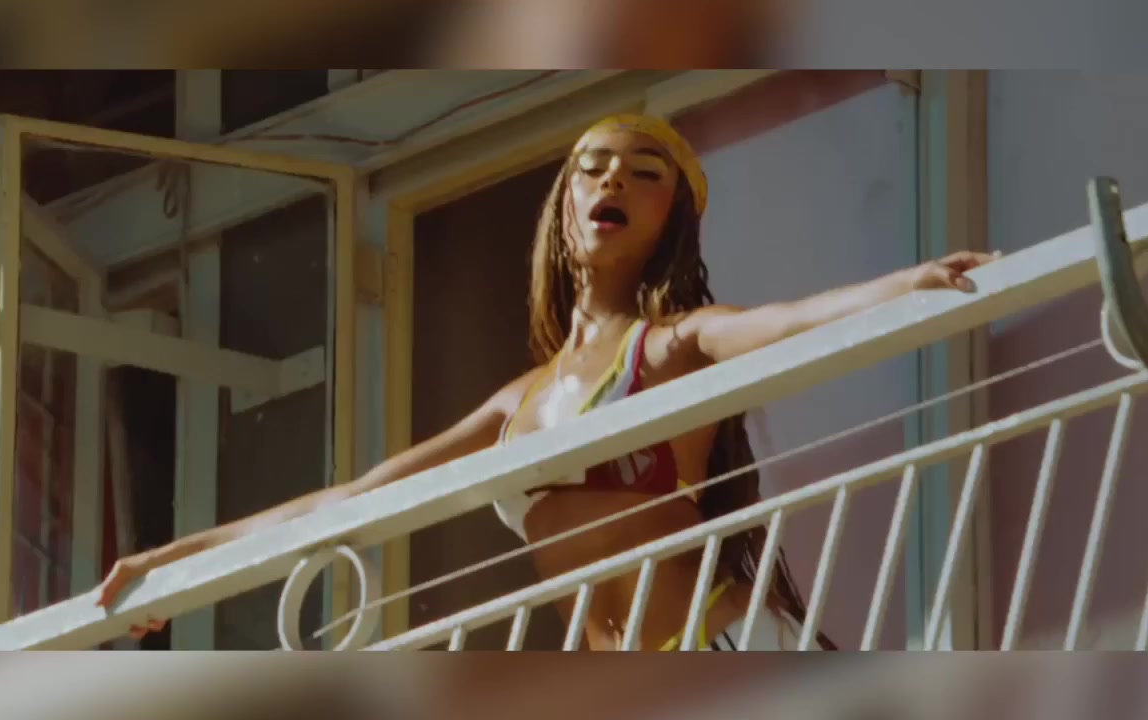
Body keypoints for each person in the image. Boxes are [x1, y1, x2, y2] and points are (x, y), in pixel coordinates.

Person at [98, 114, 995, 650]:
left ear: (672, 218)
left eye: (644, 174)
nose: (614, 181)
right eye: (593, 169)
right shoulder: (514, 404)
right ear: (566, 209)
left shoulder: (672, 345)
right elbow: (351, 500)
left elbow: (789, 322)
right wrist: (172, 563)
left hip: (720, 645)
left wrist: (906, 285)